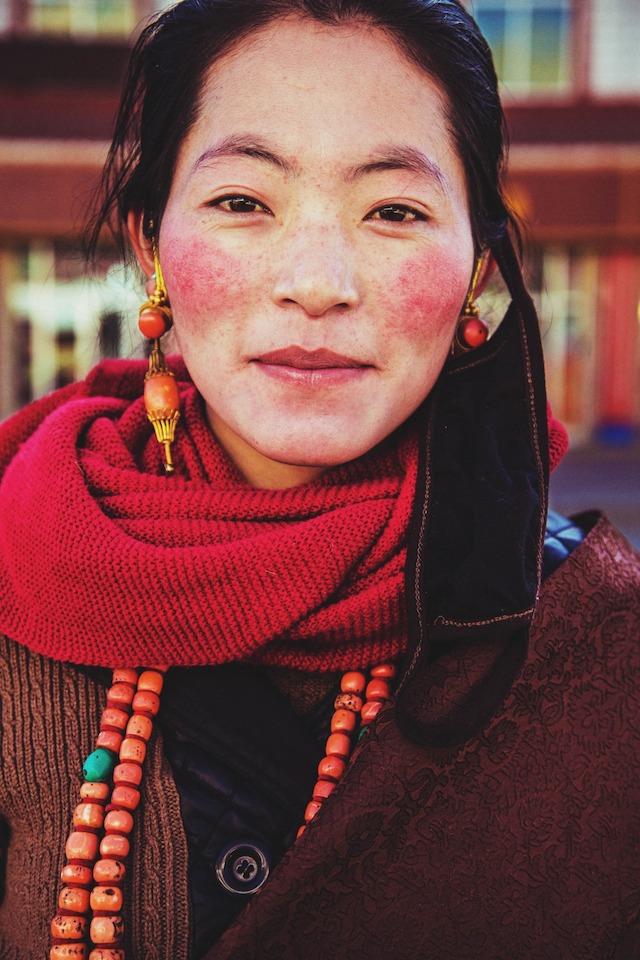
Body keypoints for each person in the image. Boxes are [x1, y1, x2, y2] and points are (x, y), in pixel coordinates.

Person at [0, 0, 639, 957]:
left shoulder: (595, 643)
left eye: (393, 210)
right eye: (243, 201)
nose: (316, 280)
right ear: (148, 243)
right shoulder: (19, 568)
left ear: (475, 270)